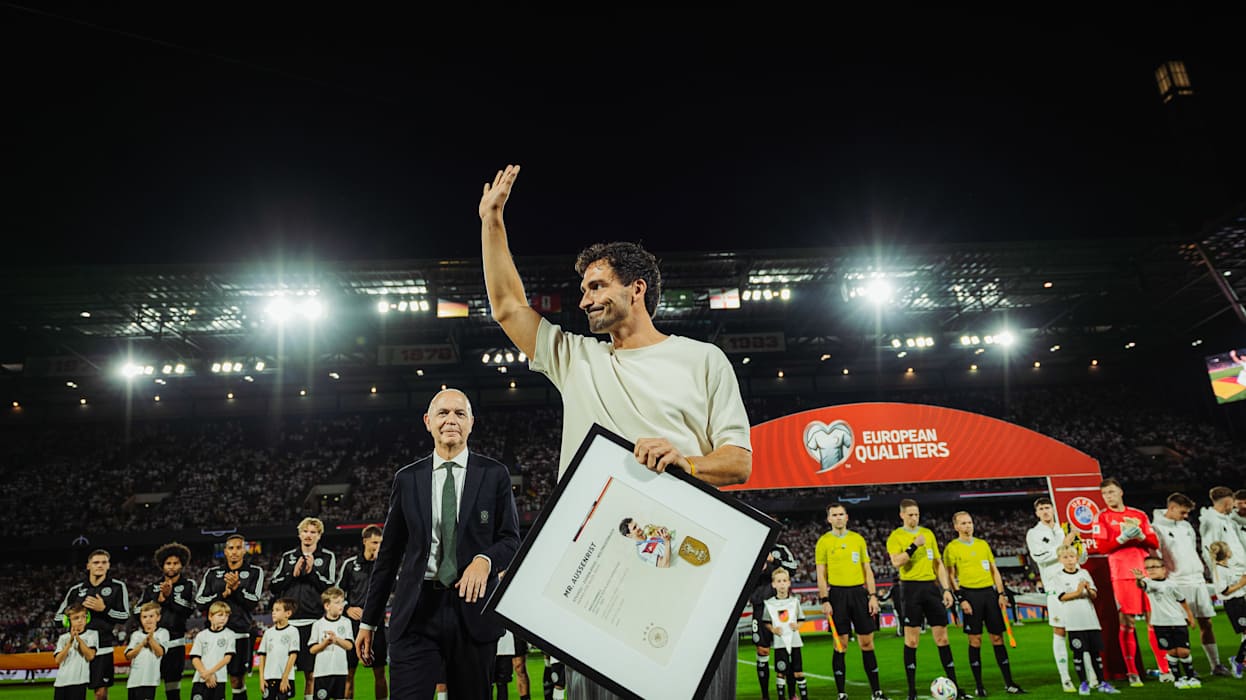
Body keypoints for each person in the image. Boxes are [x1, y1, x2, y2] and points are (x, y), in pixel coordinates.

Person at [479, 163, 752, 700]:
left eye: (597, 285)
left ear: (638, 289)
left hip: (688, 568)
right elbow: (508, 306)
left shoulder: (703, 359)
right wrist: (492, 222)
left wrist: (688, 463)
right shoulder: (575, 358)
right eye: (583, 289)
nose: (584, 299)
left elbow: (739, 463)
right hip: (600, 567)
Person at [356, 388, 521, 699]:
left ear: (472, 422)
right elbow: (388, 558)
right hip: (416, 612)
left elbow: (511, 540)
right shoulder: (407, 478)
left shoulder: (494, 474)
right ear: (428, 421)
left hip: (473, 609)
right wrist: (369, 621)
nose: (451, 420)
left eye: (459, 413)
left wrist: (484, 560)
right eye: (443, 413)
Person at [886, 499, 964, 700]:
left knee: (943, 638)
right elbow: (896, 562)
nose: (914, 517)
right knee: (912, 641)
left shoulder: (928, 534)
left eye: (916, 514)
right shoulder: (896, 536)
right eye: (910, 514)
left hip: (931, 588)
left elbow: (938, 563)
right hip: (910, 589)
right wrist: (913, 546)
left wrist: (946, 589)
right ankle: (912, 691)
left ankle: (955, 687)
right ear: (902, 515)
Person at [1091, 477, 1164, 686]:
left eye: (1112, 492)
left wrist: (1141, 536)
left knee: (1154, 620)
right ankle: (1132, 673)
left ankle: (1165, 669)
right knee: (1127, 622)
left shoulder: (1138, 514)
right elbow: (1102, 547)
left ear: (1121, 492)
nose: (1108, 497)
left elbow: (1154, 542)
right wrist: (1121, 538)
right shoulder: (1101, 518)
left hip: (1145, 571)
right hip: (1121, 572)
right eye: (1105, 494)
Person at [943, 511, 1024, 696]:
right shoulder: (952, 548)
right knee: (975, 640)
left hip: (989, 593)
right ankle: (979, 686)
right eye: (963, 523)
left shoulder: (983, 545)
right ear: (956, 526)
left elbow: (994, 570)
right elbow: (950, 575)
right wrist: (961, 598)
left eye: (970, 522)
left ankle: (1009, 683)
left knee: (997, 638)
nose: (967, 526)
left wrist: (1001, 593)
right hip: (970, 595)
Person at [1152, 492, 1232, 676]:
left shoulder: (1186, 525)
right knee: (1179, 627)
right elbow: (1156, 556)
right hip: (1177, 581)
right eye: (1183, 512)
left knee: (1207, 623)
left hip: (1197, 580)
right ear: (1171, 508)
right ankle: (1183, 669)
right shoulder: (1156, 528)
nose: (1186, 516)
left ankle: (1216, 665)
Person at [816, 502, 885, 700]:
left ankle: (876, 692)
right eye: (834, 515)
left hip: (859, 594)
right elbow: (821, 573)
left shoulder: (858, 539)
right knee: (840, 645)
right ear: (829, 519)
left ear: (847, 517)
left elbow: (867, 570)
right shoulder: (823, 542)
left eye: (841, 514)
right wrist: (824, 599)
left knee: (867, 643)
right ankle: (841, 694)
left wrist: (872, 596)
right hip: (837, 596)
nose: (838, 517)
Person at [271, 517, 338, 700]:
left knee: (311, 674)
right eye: (305, 531)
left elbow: (331, 588)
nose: (309, 535)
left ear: (319, 535)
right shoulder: (288, 557)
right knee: (281, 673)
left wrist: (312, 573)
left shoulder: (327, 557)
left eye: (313, 532)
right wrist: (291, 574)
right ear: (299, 534)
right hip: (288, 624)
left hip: (313, 622)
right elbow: (273, 586)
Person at [1026, 497, 1087, 692]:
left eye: (1047, 508)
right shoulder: (1034, 533)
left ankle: (1090, 677)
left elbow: (1082, 557)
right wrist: (1063, 544)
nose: (1045, 511)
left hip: (1076, 584)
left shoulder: (1065, 528)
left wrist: (1078, 544)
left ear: (1053, 509)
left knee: (1082, 631)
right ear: (1037, 513)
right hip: (1055, 588)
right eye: (1041, 509)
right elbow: (1039, 557)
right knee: (1060, 631)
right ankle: (1065, 678)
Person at [54, 549, 131, 700]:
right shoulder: (76, 590)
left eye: (104, 562)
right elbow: (58, 618)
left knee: (100, 694)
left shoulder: (117, 587)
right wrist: (72, 618)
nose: (100, 565)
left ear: (109, 565)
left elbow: (125, 616)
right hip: (77, 649)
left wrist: (104, 609)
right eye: (96, 562)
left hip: (103, 647)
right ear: (88, 566)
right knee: (74, 693)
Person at [196, 534, 265, 700]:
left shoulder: (255, 572)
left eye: (238, 547)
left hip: (240, 634)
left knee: (236, 679)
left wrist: (237, 589)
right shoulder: (213, 573)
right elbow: (200, 602)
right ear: (225, 551)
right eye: (231, 548)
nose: (234, 552)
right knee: (211, 678)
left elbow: (253, 602)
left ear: (244, 551)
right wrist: (223, 593)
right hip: (214, 635)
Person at [1053, 546, 1119, 695]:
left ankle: (1102, 683)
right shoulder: (1058, 577)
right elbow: (1062, 597)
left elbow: (1094, 595)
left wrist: (1088, 590)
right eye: (1065, 557)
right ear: (1060, 560)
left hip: (1090, 620)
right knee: (1079, 654)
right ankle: (1083, 683)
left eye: (1072, 557)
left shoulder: (1084, 573)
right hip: (1074, 622)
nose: (1069, 560)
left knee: (1095, 653)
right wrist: (1077, 592)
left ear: (1076, 558)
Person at [136, 542, 196, 700]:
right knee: (147, 690)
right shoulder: (152, 588)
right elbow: (137, 611)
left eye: (175, 563)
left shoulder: (188, 585)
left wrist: (170, 598)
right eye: (168, 563)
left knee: (173, 689)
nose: (172, 566)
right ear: (162, 565)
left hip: (175, 643)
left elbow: (189, 609)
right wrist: (158, 599)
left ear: (182, 565)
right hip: (152, 644)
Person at [1131, 555, 1200, 688]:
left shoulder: (1172, 584)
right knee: (1172, 652)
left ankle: (1191, 677)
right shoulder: (1148, 583)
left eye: (1154, 567)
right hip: (1160, 623)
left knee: (1183, 652)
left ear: (1163, 569)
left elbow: (1182, 600)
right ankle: (1178, 679)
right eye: (1148, 568)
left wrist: (1190, 617)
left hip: (1178, 621)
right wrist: (1138, 580)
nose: (1151, 570)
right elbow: (1141, 585)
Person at [337, 525, 388, 700]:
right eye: (375, 542)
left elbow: (395, 588)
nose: (378, 546)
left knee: (380, 673)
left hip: (377, 624)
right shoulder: (350, 565)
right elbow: (337, 592)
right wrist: (346, 608)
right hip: (352, 625)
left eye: (380, 542)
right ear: (365, 541)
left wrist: (380, 564)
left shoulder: (385, 563)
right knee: (349, 673)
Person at [751, 538, 798, 700]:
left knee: (786, 651)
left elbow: (793, 569)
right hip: (760, 606)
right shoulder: (751, 548)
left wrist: (774, 560)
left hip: (781, 608)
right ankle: (765, 696)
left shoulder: (781, 550)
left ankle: (791, 694)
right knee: (762, 651)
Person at [761, 567, 807, 700]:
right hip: (780, 643)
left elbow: (801, 619)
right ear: (774, 584)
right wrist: (773, 629)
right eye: (779, 581)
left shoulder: (794, 602)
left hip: (795, 642)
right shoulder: (770, 603)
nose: (782, 583)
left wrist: (797, 626)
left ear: (789, 583)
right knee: (781, 672)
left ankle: (801, 697)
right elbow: (766, 622)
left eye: (784, 580)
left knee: (798, 672)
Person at [310, 587, 354, 700]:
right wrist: (325, 643)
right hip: (322, 672)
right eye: (337, 602)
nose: (341, 605)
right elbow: (312, 649)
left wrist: (336, 639)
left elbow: (349, 646)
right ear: (327, 606)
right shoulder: (318, 625)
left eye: (342, 602)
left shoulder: (346, 622)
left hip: (340, 671)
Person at [1209, 540, 1246, 677]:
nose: (1231, 550)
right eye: (1228, 548)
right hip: (1233, 604)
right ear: (1225, 553)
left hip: (1240, 601)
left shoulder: (1227, 567)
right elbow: (1224, 590)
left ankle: (1241, 660)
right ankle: (1237, 661)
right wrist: (1241, 584)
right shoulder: (1219, 570)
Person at [257, 598, 301, 700]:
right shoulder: (268, 633)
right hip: (269, 677)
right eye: (273, 610)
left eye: (277, 610)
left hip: (285, 677)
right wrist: (261, 679)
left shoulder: (293, 631)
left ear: (288, 613)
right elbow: (262, 656)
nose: (273, 613)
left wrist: (285, 678)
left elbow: (293, 655)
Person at [125, 601, 170, 700]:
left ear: (158, 617)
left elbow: (160, 652)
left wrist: (151, 639)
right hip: (133, 681)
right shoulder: (136, 635)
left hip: (149, 680)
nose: (147, 620)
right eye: (144, 617)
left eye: (151, 616)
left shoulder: (163, 633)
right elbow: (128, 655)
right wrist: (141, 644)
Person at [191, 602, 235, 700]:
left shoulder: (230, 635)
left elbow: (227, 658)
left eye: (226, 615)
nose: (224, 618)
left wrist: (210, 673)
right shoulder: (201, 635)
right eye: (220, 615)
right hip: (200, 679)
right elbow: (195, 658)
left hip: (218, 680)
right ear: (210, 616)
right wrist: (205, 674)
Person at [53, 604, 98, 700]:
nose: (80, 620)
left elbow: (90, 656)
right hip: (61, 681)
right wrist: (69, 642)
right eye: (76, 618)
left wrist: (78, 639)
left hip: (79, 682)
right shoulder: (63, 638)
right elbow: (58, 660)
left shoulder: (92, 635)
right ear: (68, 621)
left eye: (83, 617)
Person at [1200, 487, 1246, 572]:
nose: (1234, 506)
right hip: (1230, 574)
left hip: (1239, 571)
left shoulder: (1227, 520)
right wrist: (1221, 576)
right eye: (1233, 503)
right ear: (1227, 502)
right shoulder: (1211, 521)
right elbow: (1210, 551)